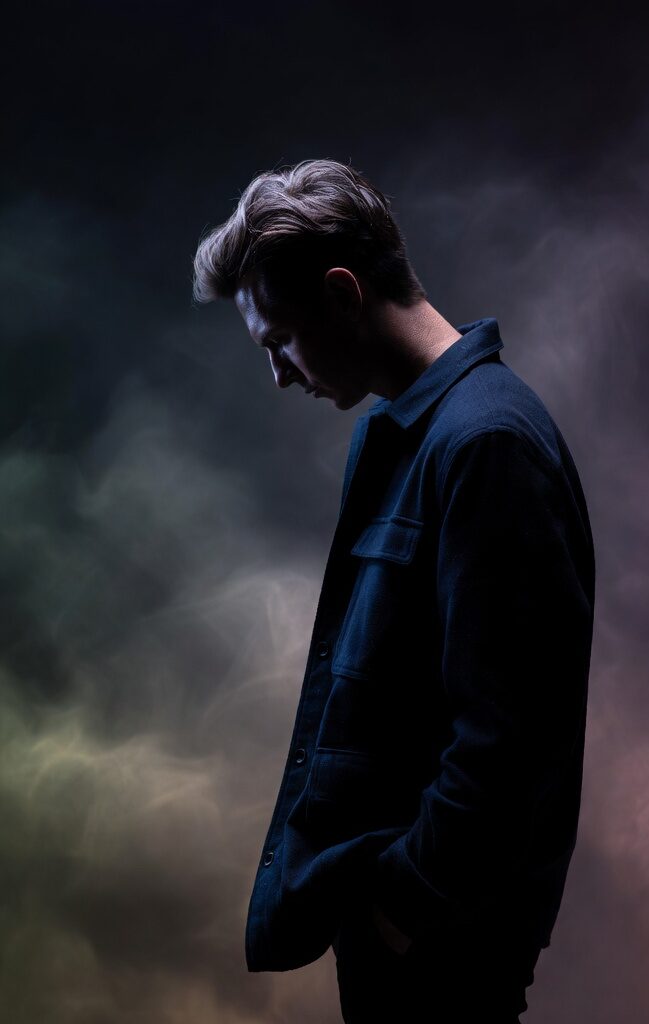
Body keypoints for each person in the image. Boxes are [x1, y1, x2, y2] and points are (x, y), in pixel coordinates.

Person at [192, 158, 596, 1022]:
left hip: (444, 957)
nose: (280, 375)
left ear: (343, 294)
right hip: (404, 950)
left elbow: (509, 743)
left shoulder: (487, 444)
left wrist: (399, 909)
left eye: (279, 341)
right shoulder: (398, 431)